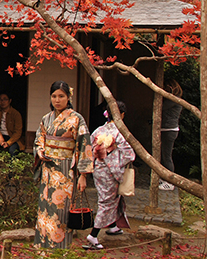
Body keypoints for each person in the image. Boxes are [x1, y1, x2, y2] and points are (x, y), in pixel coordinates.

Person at [32, 81, 93, 249]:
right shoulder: (47, 118)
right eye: (54, 96)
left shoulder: (76, 119)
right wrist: (40, 151)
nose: (57, 100)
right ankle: (43, 249)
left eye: (61, 96)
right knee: (45, 209)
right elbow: (39, 139)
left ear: (68, 97)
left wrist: (82, 175)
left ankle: (60, 252)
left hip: (66, 169)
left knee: (61, 210)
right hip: (47, 169)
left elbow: (84, 145)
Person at [83, 101, 136, 250]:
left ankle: (113, 226)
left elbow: (89, 148)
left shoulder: (99, 130)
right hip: (110, 171)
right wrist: (115, 160)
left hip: (99, 170)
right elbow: (129, 154)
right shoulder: (120, 132)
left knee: (110, 198)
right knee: (107, 202)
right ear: (122, 115)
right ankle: (93, 235)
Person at [159, 79, 183, 191]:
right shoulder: (173, 100)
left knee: (167, 156)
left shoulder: (174, 100)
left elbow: (161, 107)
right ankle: (164, 178)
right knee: (164, 156)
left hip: (169, 129)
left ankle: (170, 182)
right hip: (166, 129)